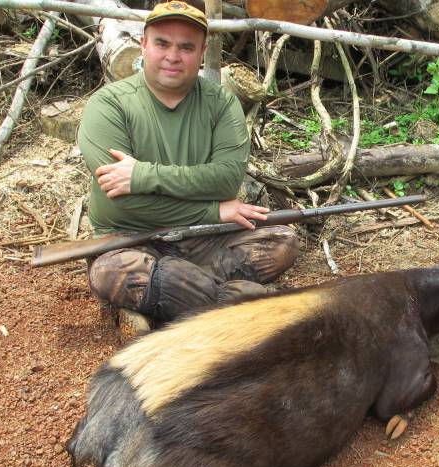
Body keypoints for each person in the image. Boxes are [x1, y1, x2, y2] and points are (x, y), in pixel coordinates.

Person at [77, 1, 298, 330]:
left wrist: (143, 175)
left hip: (203, 239)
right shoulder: (108, 105)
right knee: (112, 272)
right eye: (162, 43)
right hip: (133, 239)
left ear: (201, 52)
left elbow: (225, 180)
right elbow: (126, 204)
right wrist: (211, 211)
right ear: (144, 44)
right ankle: (245, 307)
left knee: (281, 242)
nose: (173, 56)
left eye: (186, 47)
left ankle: (177, 295)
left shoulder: (220, 103)